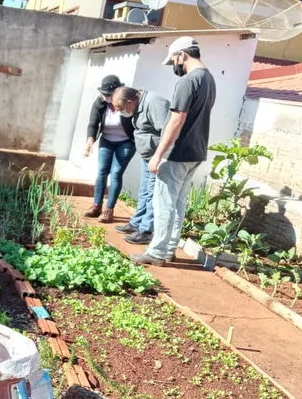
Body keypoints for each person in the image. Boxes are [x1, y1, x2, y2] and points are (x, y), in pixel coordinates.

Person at [130, 37, 216, 266]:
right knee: (178, 203)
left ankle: (157, 253)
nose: (174, 66)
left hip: (177, 153)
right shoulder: (209, 79)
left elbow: (177, 119)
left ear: (183, 55)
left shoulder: (188, 81)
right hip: (196, 152)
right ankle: (168, 248)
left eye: (173, 61)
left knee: (164, 202)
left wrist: (158, 154)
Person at [110, 86, 171, 245]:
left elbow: (167, 131)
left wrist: (159, 157)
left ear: (130, 102)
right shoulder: (138, 105)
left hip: (155, 157)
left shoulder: (154, 103)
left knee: (152, 192)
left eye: (121, 108)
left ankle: (146, 230)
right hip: (148, 156)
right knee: (144, 190)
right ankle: (136, 223)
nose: (120, 112)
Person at [82, 75, 136, 224]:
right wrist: (90, 141)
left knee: (116, 172)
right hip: (107, 140)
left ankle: (109, 209)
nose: (105, 97)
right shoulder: (100, 103)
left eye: (108, 95)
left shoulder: (126, 102)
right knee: (102, 171)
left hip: (126, 142)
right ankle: (96, 206)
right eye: (103, 94)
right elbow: (93, 124)